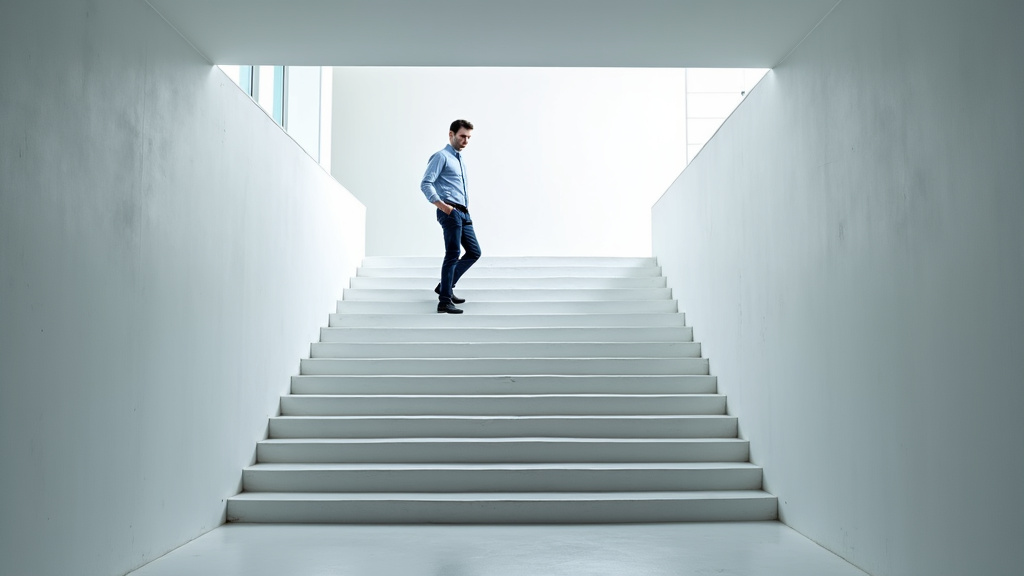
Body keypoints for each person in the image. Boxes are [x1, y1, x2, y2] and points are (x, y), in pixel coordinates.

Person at [420, 119, 482, 314]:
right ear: (451, 134)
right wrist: (444, 207)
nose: (466, 141)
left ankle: (445, 286)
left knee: (474, 252)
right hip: (450, 212)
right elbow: (426, 183)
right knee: (453, 254)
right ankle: (444, 301)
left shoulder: (459, 160)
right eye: (462, 136)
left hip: (463, 212)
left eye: (469, 137)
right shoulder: (441, 156)